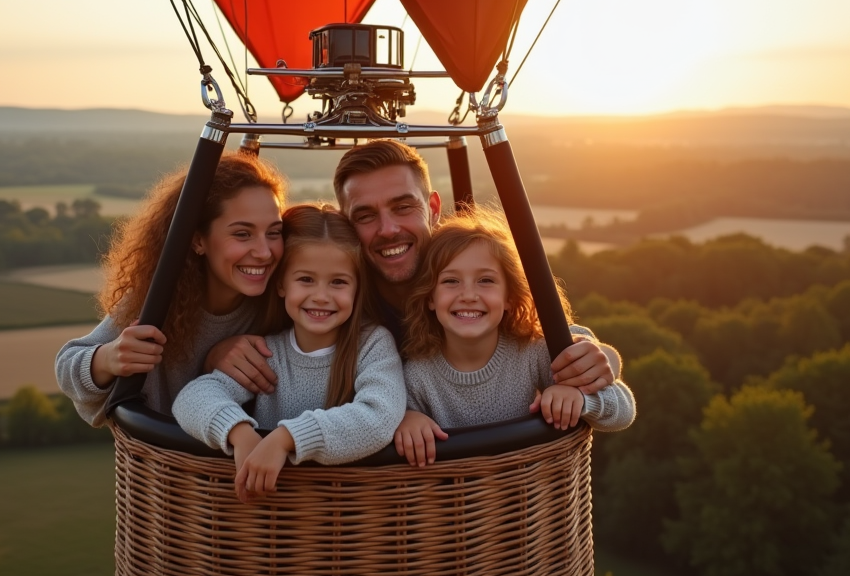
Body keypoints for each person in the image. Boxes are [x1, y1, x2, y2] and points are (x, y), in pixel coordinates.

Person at [206, 140, 621, 400]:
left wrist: (601, 358)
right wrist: (215, 357)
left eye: (404, 207)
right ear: (350, 228)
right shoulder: (333, 298)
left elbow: (546, 335)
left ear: (434, 209)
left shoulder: (466, 284)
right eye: (366, 216)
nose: (388, 229)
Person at [172, 204, 405, 502]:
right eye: (306, 279)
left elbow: (377, 418)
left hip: (351, 513)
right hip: (274, 514)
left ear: (357, 288)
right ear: (281, 284)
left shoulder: (372, 345)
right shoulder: (268, 353)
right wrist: (240, 433)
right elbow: (192, 398)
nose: (321, 296)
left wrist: (285, 439)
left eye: (338, 282)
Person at [55, 154, 287, 426]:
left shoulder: (285, 300)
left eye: (274, 232)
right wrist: (109, 357)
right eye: (242, 234)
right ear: (198, 240)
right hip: (165, 463)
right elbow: (67, 366)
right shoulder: (162, 298)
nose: (264, 252)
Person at [393, 207, 635, 466]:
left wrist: (581, 399)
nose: (468, 295)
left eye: (485, 280)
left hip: (531, 498)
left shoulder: (533, 351)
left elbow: (624, 410)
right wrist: (406, 419)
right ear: (430, 297)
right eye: (451, 281)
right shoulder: (417, 375)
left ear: (509, 297)